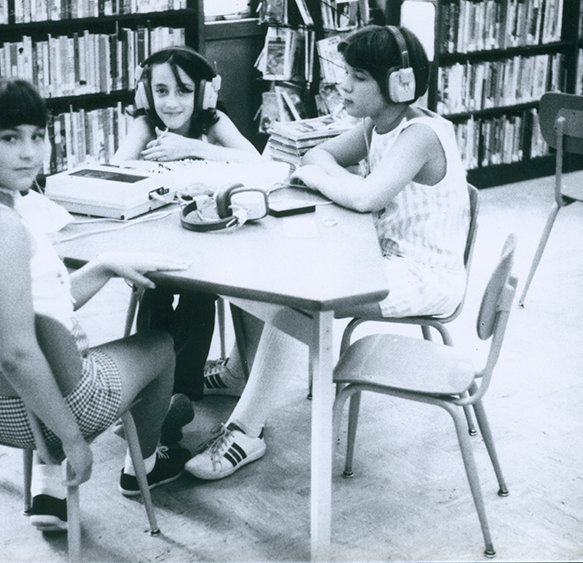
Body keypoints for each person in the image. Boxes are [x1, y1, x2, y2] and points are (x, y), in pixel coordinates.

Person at [185, 25, 471, 480]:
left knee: (296, 293)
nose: (343, 85)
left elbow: (362, 198)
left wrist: (339, 184)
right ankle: (242, 371)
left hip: (422, 275)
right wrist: (345, 182)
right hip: (381, 256)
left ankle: (245, 431)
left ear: (400, 82)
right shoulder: (375, 126)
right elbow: (317, 155)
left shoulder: (422, 134)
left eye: (358, 76)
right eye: (347, 73)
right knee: (267, 271)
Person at [0, 76, 194, 532]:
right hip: (51, 408)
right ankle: (143, 467)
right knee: (161, 345)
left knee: (55, 351)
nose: (30, 152)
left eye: (37, 135)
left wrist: (106, 263)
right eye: (10, 138)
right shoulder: (2, 229)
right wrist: (73, 440)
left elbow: (43, 305)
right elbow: (16, 353)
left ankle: (49, 488)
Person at [110, 46, 261, 402]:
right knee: (153, 287)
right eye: (161, 91)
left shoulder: (213, 123)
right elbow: (116, 169)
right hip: (156, 242)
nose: (172, 103)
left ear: (205, 93)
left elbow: (253, 160)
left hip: (206, 246)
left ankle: (180, 390)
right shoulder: (145, 124)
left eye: (184, 91)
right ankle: (150, 380)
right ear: (146, 93)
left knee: (199, 293)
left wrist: (193, 148)